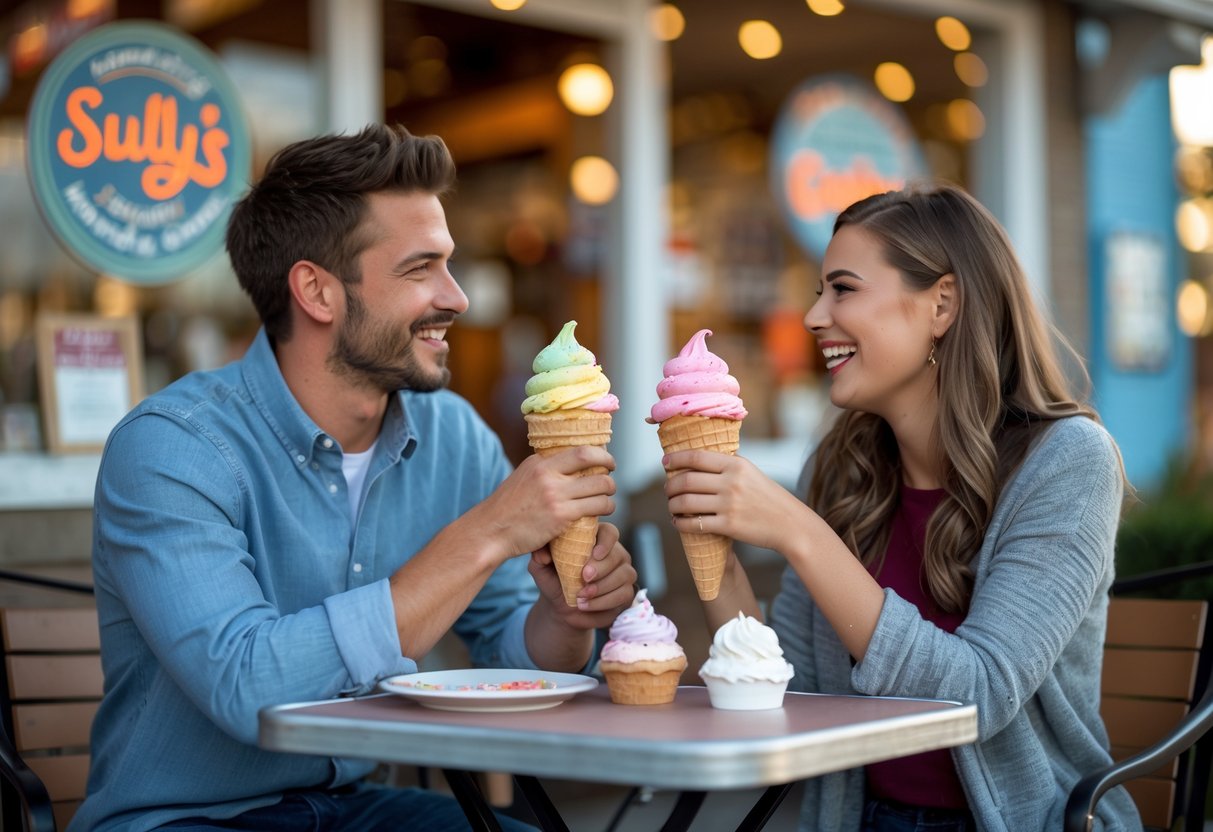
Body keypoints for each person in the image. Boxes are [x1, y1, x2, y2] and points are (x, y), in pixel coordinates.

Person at [72, 124, 635, 832]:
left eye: (449, 264)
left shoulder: (452, 436)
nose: (456, 297)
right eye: (419, 268)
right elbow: (250, 689)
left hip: (356, 807)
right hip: (186, 819)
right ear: (316, 291)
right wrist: (490, 532)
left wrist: (562, 613)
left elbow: (511, 654)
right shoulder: (172, 449)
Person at [662, 183, 1141, 832]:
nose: (813, 317)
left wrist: (799, 532)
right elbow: (786, 687)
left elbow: (978, 694)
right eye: (817, 292)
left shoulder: (1066, 463)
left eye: (843, 289)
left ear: (940, 304)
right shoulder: (841, 468)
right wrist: (709, 538)